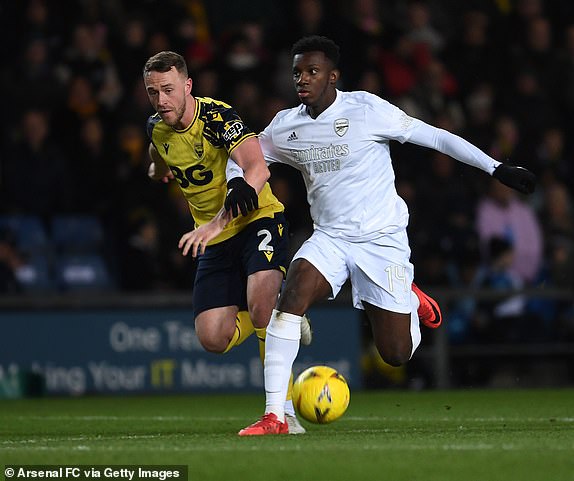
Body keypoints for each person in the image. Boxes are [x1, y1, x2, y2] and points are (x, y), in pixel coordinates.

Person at [192, 36, 536, 435]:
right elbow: (246, 156)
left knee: (395, 354)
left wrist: (496, 168)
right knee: (291, 299)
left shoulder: (367, 110)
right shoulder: (287, 125)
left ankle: (408, 297)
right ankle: (277, 416)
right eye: (297, 72)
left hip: (381, 240)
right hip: (331, 239)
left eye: (312, 71)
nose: (302, 79)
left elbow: (437, 136)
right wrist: (237, 182)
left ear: (333, 77)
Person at [142, 51, 312, 434]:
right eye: (153, 93)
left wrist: (215, 224)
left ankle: (283, 413)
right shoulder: (157, 126)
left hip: (256, 219)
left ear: (188, 86)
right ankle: (287, 316)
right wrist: (157, 169)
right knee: (213, 337)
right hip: (214, 238)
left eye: (168, 90)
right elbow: (157, 152)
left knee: (260, 304)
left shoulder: (219, 118)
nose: (161, 100)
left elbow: (257, 169)